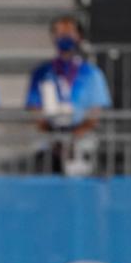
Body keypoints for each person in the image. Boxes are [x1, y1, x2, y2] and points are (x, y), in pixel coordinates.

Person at [25, 15, 112, 175]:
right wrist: (55, 138)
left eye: (69, 31)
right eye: (60, 31)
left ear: (79, 36)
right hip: (50, 142)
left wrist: (72, 138)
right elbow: (35, 111)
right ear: (53, 36)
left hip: (81, 142)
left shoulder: (92, 73)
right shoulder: (41, 73)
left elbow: (95, 114)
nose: (64, 35)